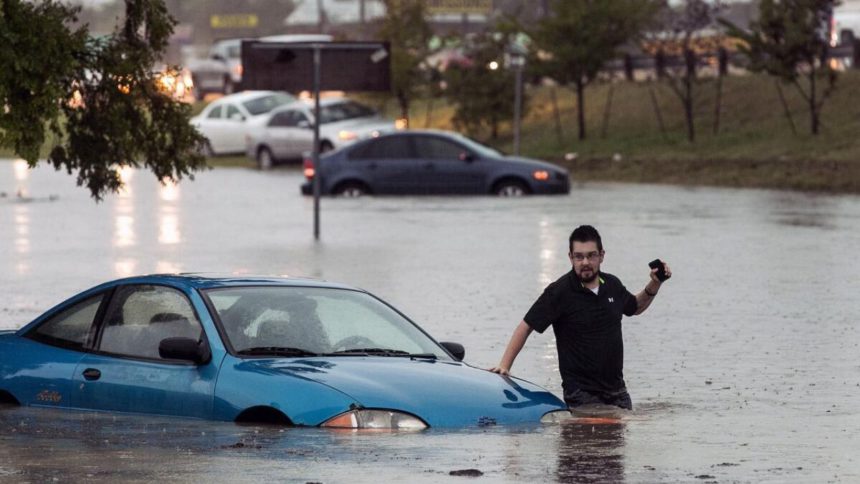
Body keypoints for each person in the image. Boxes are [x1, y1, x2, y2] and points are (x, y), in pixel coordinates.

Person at [490, 225, 671, 410]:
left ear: (601, 255)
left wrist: (655, 284)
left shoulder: (612, 285)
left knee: (621, 435)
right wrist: (504, 366)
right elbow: (525, 326)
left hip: (618, 393)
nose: (585, 262)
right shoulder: (559, 291)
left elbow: (635, 306)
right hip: (581, 395)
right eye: (579, 256)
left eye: (591, 255)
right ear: (571, 257)